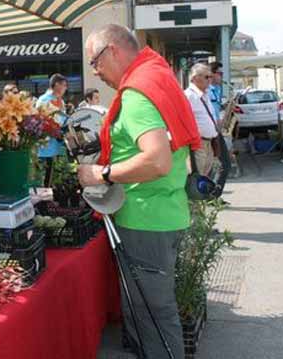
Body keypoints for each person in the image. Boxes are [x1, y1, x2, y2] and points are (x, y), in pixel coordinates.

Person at [77, 24, 201, 359]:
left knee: (153, 317)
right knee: (152, 313)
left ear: (113, 51)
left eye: (95, 62)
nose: (95, 72)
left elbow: (157, 160)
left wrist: (101, 172)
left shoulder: (136, 95)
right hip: (163, 212)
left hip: (147, 217)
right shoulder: (157, 76)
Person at [184, 63, 220, 176]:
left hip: (208, 143)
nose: (210, 80)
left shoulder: (204, 94)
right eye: (207, 77)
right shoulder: (189, 96)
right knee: (196, 179)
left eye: (210, 77)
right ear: (195, 78)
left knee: (205, 179)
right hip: (198, 144)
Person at [35, 74, 68, 186]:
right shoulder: (43, 100)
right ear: (56, 85)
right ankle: (43, 201)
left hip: (57, 144)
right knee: (43, 177)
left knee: (55, 176)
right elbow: (40, 121)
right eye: (64, 85)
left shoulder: (61, 101)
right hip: (45, 146)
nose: (65, 88)